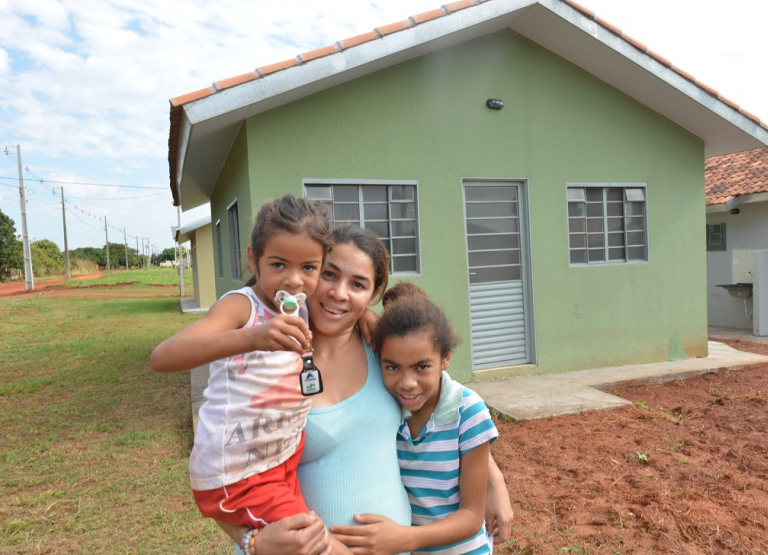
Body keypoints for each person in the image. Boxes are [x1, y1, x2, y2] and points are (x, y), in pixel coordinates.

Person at [222, 226, 513, 555]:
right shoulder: (268, 360)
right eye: (329, 275)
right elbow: (221, 468)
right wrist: (249, 541)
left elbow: (447, 404)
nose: (339, 293)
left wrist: (493, 479)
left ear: (373, 294)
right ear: (310, 272)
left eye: (358, 284)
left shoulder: (384, 351)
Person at [150, 195, 336, 554]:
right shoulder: (241, 307)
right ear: (254, 258)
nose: (295, 280)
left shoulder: (302, 305)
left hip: (280, 460)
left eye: (309, 268)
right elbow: (163, 357)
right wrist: (251, 337)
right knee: (314, 545)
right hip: (238, 474)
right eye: (279, 264)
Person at [330, 282, 497, 554]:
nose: (407, 383)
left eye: (422, 367)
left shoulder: (469, 412)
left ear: (445, 358)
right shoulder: (384, 408)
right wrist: (361, 313)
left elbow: (471, 515)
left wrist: (405, 538)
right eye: (392, 367)